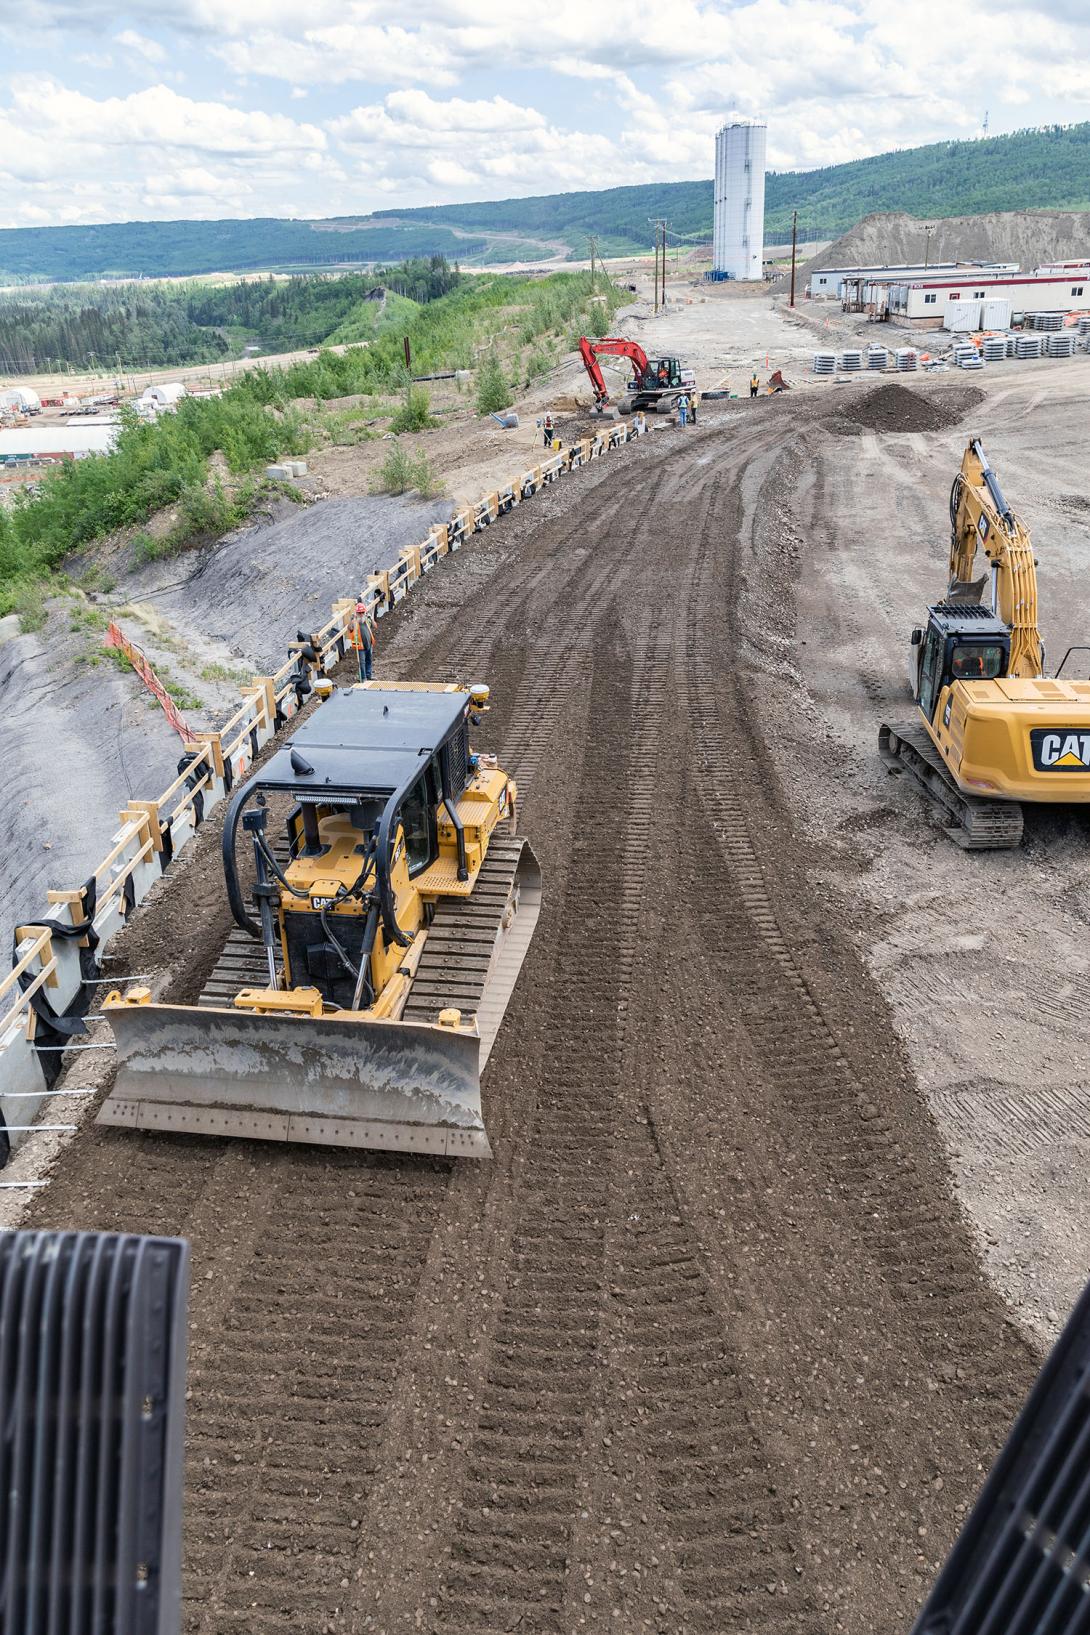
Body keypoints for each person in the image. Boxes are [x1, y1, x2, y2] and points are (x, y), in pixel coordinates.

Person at [354, 598, 375, 681]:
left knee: (369, 660)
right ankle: (363, 678)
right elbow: (350, 628)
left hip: (369, 643)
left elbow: (375, 625)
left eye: (363, 612)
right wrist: (354, 620)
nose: (361, 614)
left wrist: (371, 618)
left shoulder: (367, 619)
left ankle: (369, 675)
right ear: (357, 613)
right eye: (360, 613)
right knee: (362, 662)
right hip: (360, 646)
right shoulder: (355, 621)